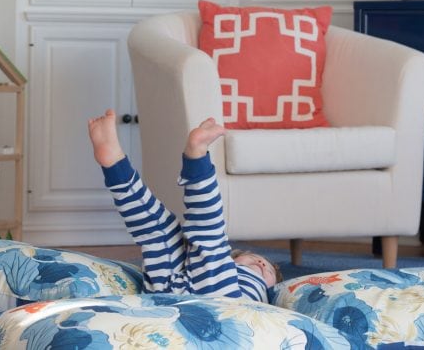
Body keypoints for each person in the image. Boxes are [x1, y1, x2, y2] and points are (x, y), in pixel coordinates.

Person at [87, 109, 282, 303]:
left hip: (171, 297)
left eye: (269, 270)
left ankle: (192, 157)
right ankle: (114, 162)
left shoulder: (268, 297)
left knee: (167, 236)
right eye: (252, 258)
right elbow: (215, 257)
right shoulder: (227, 269)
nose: (260, 262)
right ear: (231, 261)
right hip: (205, 295)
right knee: (165, 230)